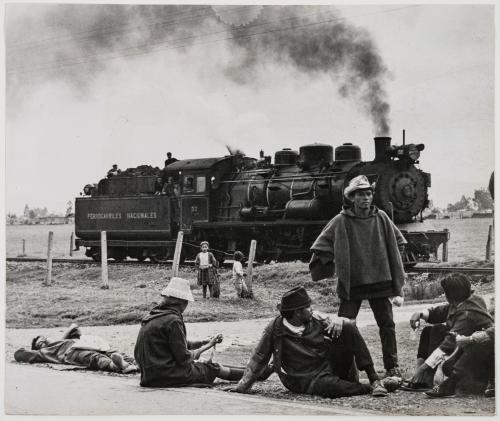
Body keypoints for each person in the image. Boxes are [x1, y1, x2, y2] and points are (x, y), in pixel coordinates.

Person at [310, 175, 407, 377]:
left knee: (387, 325)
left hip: (382, 281)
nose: (365, 198)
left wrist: (388, 261)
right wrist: (327, 265)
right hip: (353, 283)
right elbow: (321, 246)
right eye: (360, 194)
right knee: (342, 327)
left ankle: (392, 367)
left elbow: (399, 241)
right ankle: (343, 369)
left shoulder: (382, 218)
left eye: (368, 193)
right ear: (352, 198)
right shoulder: (340, 221)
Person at [229, 286, 398, 398]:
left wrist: (340, 320)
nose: (312, 309)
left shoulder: (316, 318)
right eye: (308, 307)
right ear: (297, 313)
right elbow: (258, 358)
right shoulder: (275, 329)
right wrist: (242, 387)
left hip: (329, 366)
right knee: (329, 387)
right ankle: (367, 388)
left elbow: (343, 328)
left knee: (347, 325)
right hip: (305, 379)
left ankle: (374, 380)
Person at [134, 277, 245, 387]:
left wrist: (203, 342)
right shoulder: (173, 320)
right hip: (166, 375)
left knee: (209, 365)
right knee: (213, 368)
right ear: (182, 303)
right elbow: (184, 358)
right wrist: (209, 345)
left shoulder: (154, 315)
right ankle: (253, 375)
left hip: (149, 376)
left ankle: (252, 371)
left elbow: (178, 344)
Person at [402, 273, 494, 397]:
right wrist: (420, 314)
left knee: (471, 345)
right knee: (431, 330)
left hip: (476, 362)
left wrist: (423, 368)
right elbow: (442, 311)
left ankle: (447, 384)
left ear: (450, 295)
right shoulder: (462, 301)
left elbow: (449, 343)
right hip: (463, 352)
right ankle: (424, 380)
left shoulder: (468, 314)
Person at [14, 323, 138, 374]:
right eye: (41, 343)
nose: (45, 340)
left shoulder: (64, 340)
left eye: (45, 338)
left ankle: (136, 362)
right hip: (70, 353)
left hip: (86, 343)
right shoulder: (45, 352)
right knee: (94, 358)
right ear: (38, 348)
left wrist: (62, 338)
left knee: (110, 351)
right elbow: (19, 354)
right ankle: (116, 365)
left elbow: (75, 327)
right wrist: (37, 350)